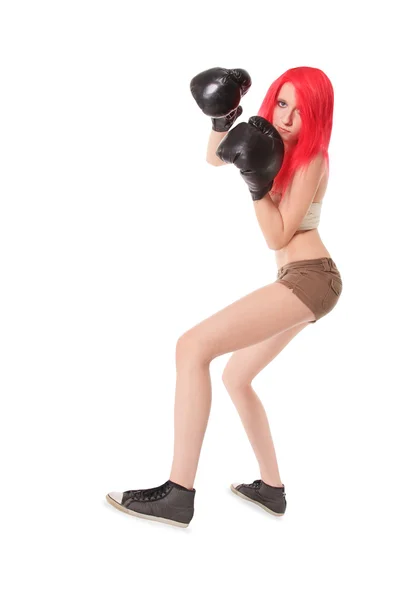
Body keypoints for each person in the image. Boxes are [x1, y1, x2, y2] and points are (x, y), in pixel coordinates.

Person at [106, 66, 343, 528]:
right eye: (281, 103)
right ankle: (272, 489)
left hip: (311, 276)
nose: (289, 117)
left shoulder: (312, 158)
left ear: (318, 116)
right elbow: (217, 158)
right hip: (301, 278)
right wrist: (223, 120)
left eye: (302, 109)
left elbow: (277, 236)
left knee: (192, 346)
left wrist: (257, 183)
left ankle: (178, 492)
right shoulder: (267, 138)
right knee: (237, 377)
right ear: (271, 99)